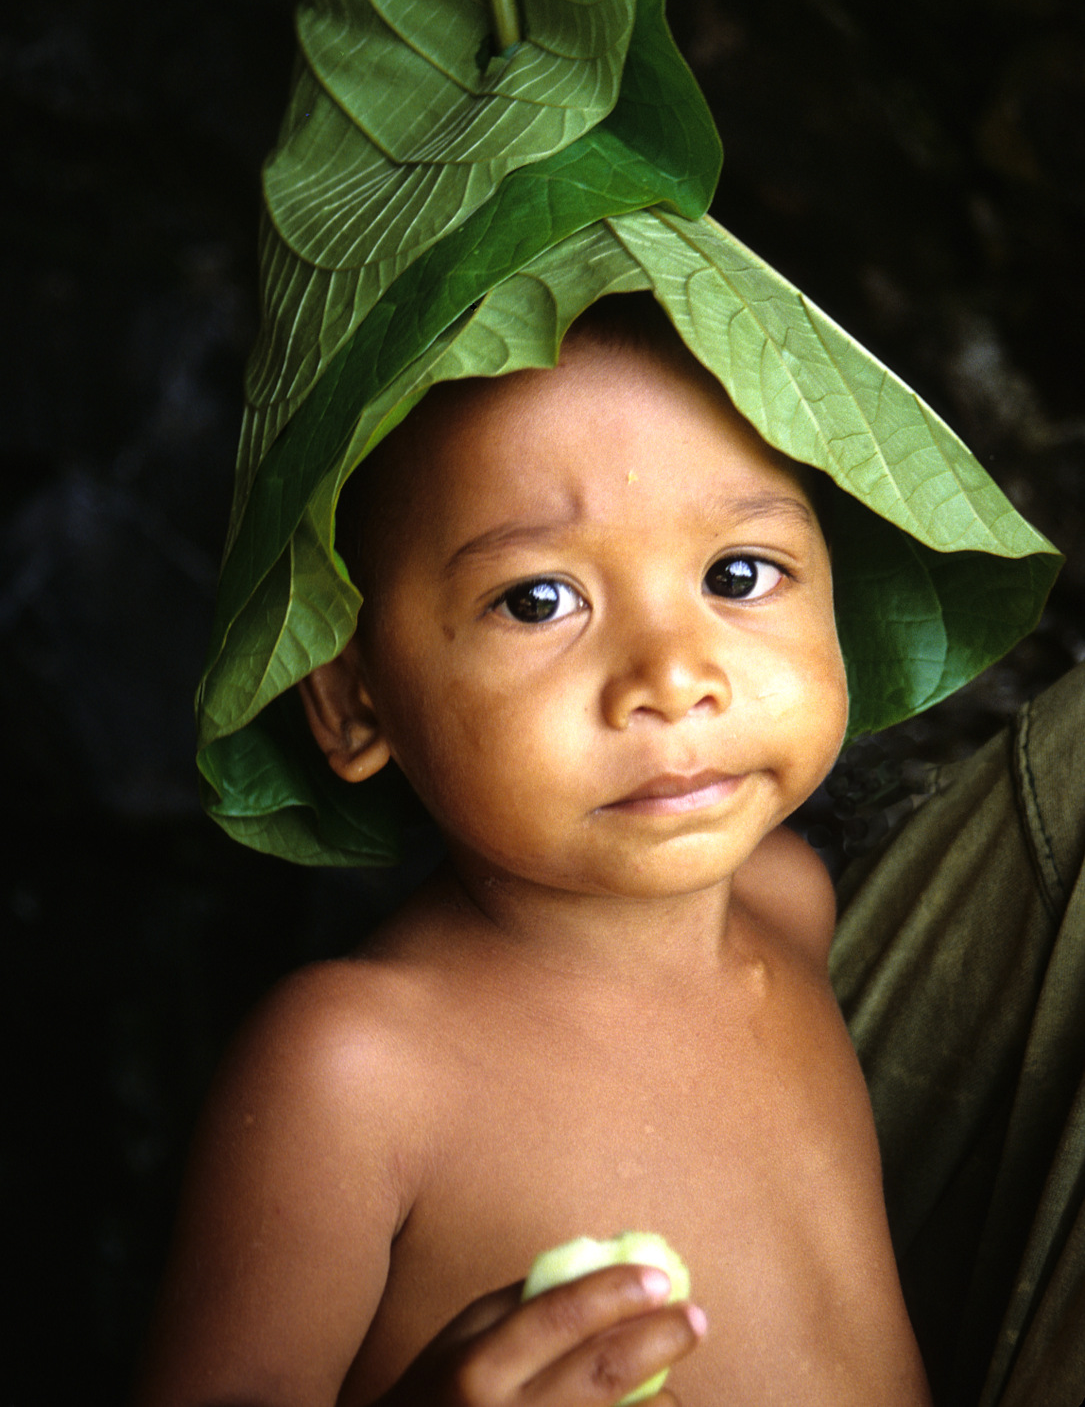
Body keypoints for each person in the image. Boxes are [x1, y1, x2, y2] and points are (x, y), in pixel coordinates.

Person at [134, 294, 932, 1405]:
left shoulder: (789, 900)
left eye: (738, 574)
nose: (671, 672)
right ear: (351, 700)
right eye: (537, 598)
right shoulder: (352, 1068)